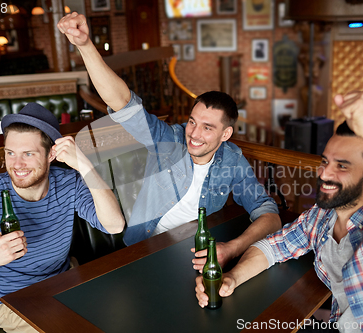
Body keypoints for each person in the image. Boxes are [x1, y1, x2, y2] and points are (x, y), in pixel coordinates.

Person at [196, 90, 363, 332]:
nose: (325, 173)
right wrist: (231, 278)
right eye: (325, 161)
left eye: (343, 166)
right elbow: (273, 247)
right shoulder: (321, 216)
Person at [57, 12, 282, 271]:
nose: (194, 133)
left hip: (190, 255)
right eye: (193, 121)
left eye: (208, 127)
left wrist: (233, 248)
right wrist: (85, 45)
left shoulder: (231, 159)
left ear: (225, 135)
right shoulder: (170, 139)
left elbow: (268, 213)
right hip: (144, 252)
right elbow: (123, 104)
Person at [0, 103, 125, 332]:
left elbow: (115, 225)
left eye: (28, 154)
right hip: (17, 304)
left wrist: (85, 166)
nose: (17, 165)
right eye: (10, 153)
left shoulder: (69, 181)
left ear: (51, 154)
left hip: (67, 284)